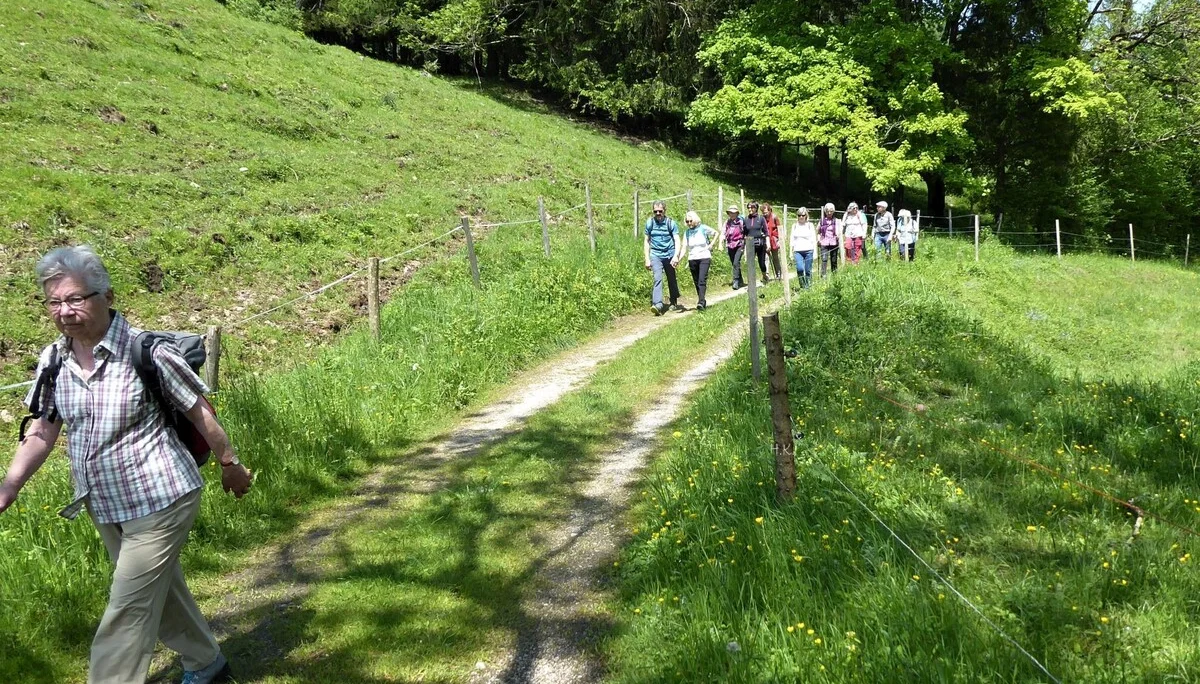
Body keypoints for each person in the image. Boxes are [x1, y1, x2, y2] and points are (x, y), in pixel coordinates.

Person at [0, 245, 253, 684]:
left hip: (162, 496)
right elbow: (42, 430)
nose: (65, 311)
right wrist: (10, 486)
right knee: (160, 594)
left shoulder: (147, 351)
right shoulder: (54, 360)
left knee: (128, 608)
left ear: (107, 296)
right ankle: (208, 665)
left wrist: (230, 463)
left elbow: (200, 412)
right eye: (55, 301)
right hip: (106, 503)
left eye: (76, 298)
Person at [643, 200, 683, 315]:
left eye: (660, 211)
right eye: (655, 211)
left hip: (670, 254)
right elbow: (646, 241)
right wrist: (647, 258)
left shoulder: (671, 223)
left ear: (665, 211)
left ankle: (673, 301)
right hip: (655, 254)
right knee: (657, 278)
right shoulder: (650, 223)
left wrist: (676, 256)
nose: (658, 213)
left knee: (671, 278)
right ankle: (657, 304)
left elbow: (677, 240)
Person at [682, 210, 719, 311]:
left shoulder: (703, 228)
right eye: (687, 221)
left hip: (704, 257)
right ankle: (701, 299)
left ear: (695, 220)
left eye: (690, 221)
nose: (689, 223)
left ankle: (701, 302)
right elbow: (684, 247)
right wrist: (678, 258)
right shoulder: (687, 233)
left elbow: (716, 233)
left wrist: (711, 244)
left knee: (702, 280)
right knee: (696, 281)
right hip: (692, 258)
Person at [789, 206, 818, 289]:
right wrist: (790, 252)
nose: (801, 217)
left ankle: (808, 287)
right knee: (800, 269)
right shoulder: (794, 226)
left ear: (806, 216)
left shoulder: (810, 225)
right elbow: (792, 239)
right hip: (798, 251)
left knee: (808, 270)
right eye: (799, 215)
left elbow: (813, 239)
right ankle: (802, 286)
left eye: (803, 215)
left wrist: (815, 252)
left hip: (809, 250)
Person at [743, 201, 771, 283]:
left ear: (756, 208)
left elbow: (766, 232)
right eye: (748, 207)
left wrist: (768, 243)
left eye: (752, 207)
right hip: (749, 243)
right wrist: (744, 247)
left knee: (761, 263)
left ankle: (764, 275)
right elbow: (744, 233)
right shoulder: (746, 219)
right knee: (750, 263)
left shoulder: (761, 218)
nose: (750, 209)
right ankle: (751, 282)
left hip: (760, 243)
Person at [720, 204, 746, 289]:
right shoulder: (727, 222)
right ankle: (740, 280)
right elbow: (723, 233)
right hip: (730, 245)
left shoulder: (741, 222)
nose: (732, 214)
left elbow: (745, 232)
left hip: (739, 244)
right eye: (730, 213)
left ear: (737, 213)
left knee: (736, 262)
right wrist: (721, 243)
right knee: (734, 263)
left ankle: (735, 281)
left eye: (734, 213)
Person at [817, 203, 842, 278]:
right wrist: (818, 240)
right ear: (825, 211)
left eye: (831, 211)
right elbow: (818, 232)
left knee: (834, 260)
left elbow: (840, 231)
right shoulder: (821, 221)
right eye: (827, 211)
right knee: (824, 259)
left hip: (834, 243)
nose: (829, 213)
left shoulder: (837, 221)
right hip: (824, 242)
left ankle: (834, 275)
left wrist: (838, 236)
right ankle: (823, 275)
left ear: (833, 211)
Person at [763, 203, 783, 281]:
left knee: (775, 258)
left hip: (774, 240)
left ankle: (778, 274)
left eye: (766, 212)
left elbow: (779, 229)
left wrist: (779, 240)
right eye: (763, 213)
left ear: (770, 210)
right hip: (766, 240)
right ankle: (766, 275)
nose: (765, 214)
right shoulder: (762, 219)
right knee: (766, 258)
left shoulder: (775, 217)